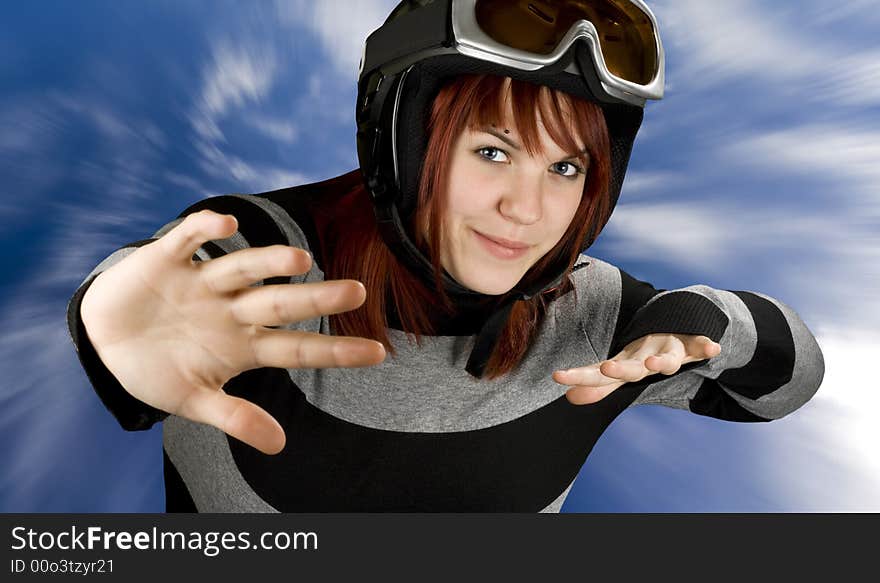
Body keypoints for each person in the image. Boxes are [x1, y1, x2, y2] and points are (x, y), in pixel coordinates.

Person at [66, 0, 825, 512]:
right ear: (399, 143)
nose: (526, 211)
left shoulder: (597, 320)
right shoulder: (267, 257)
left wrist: (696, 318)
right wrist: (103, 325)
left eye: (566, 168)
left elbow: (789, 382)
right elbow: (164, 288)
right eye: (493, 150)